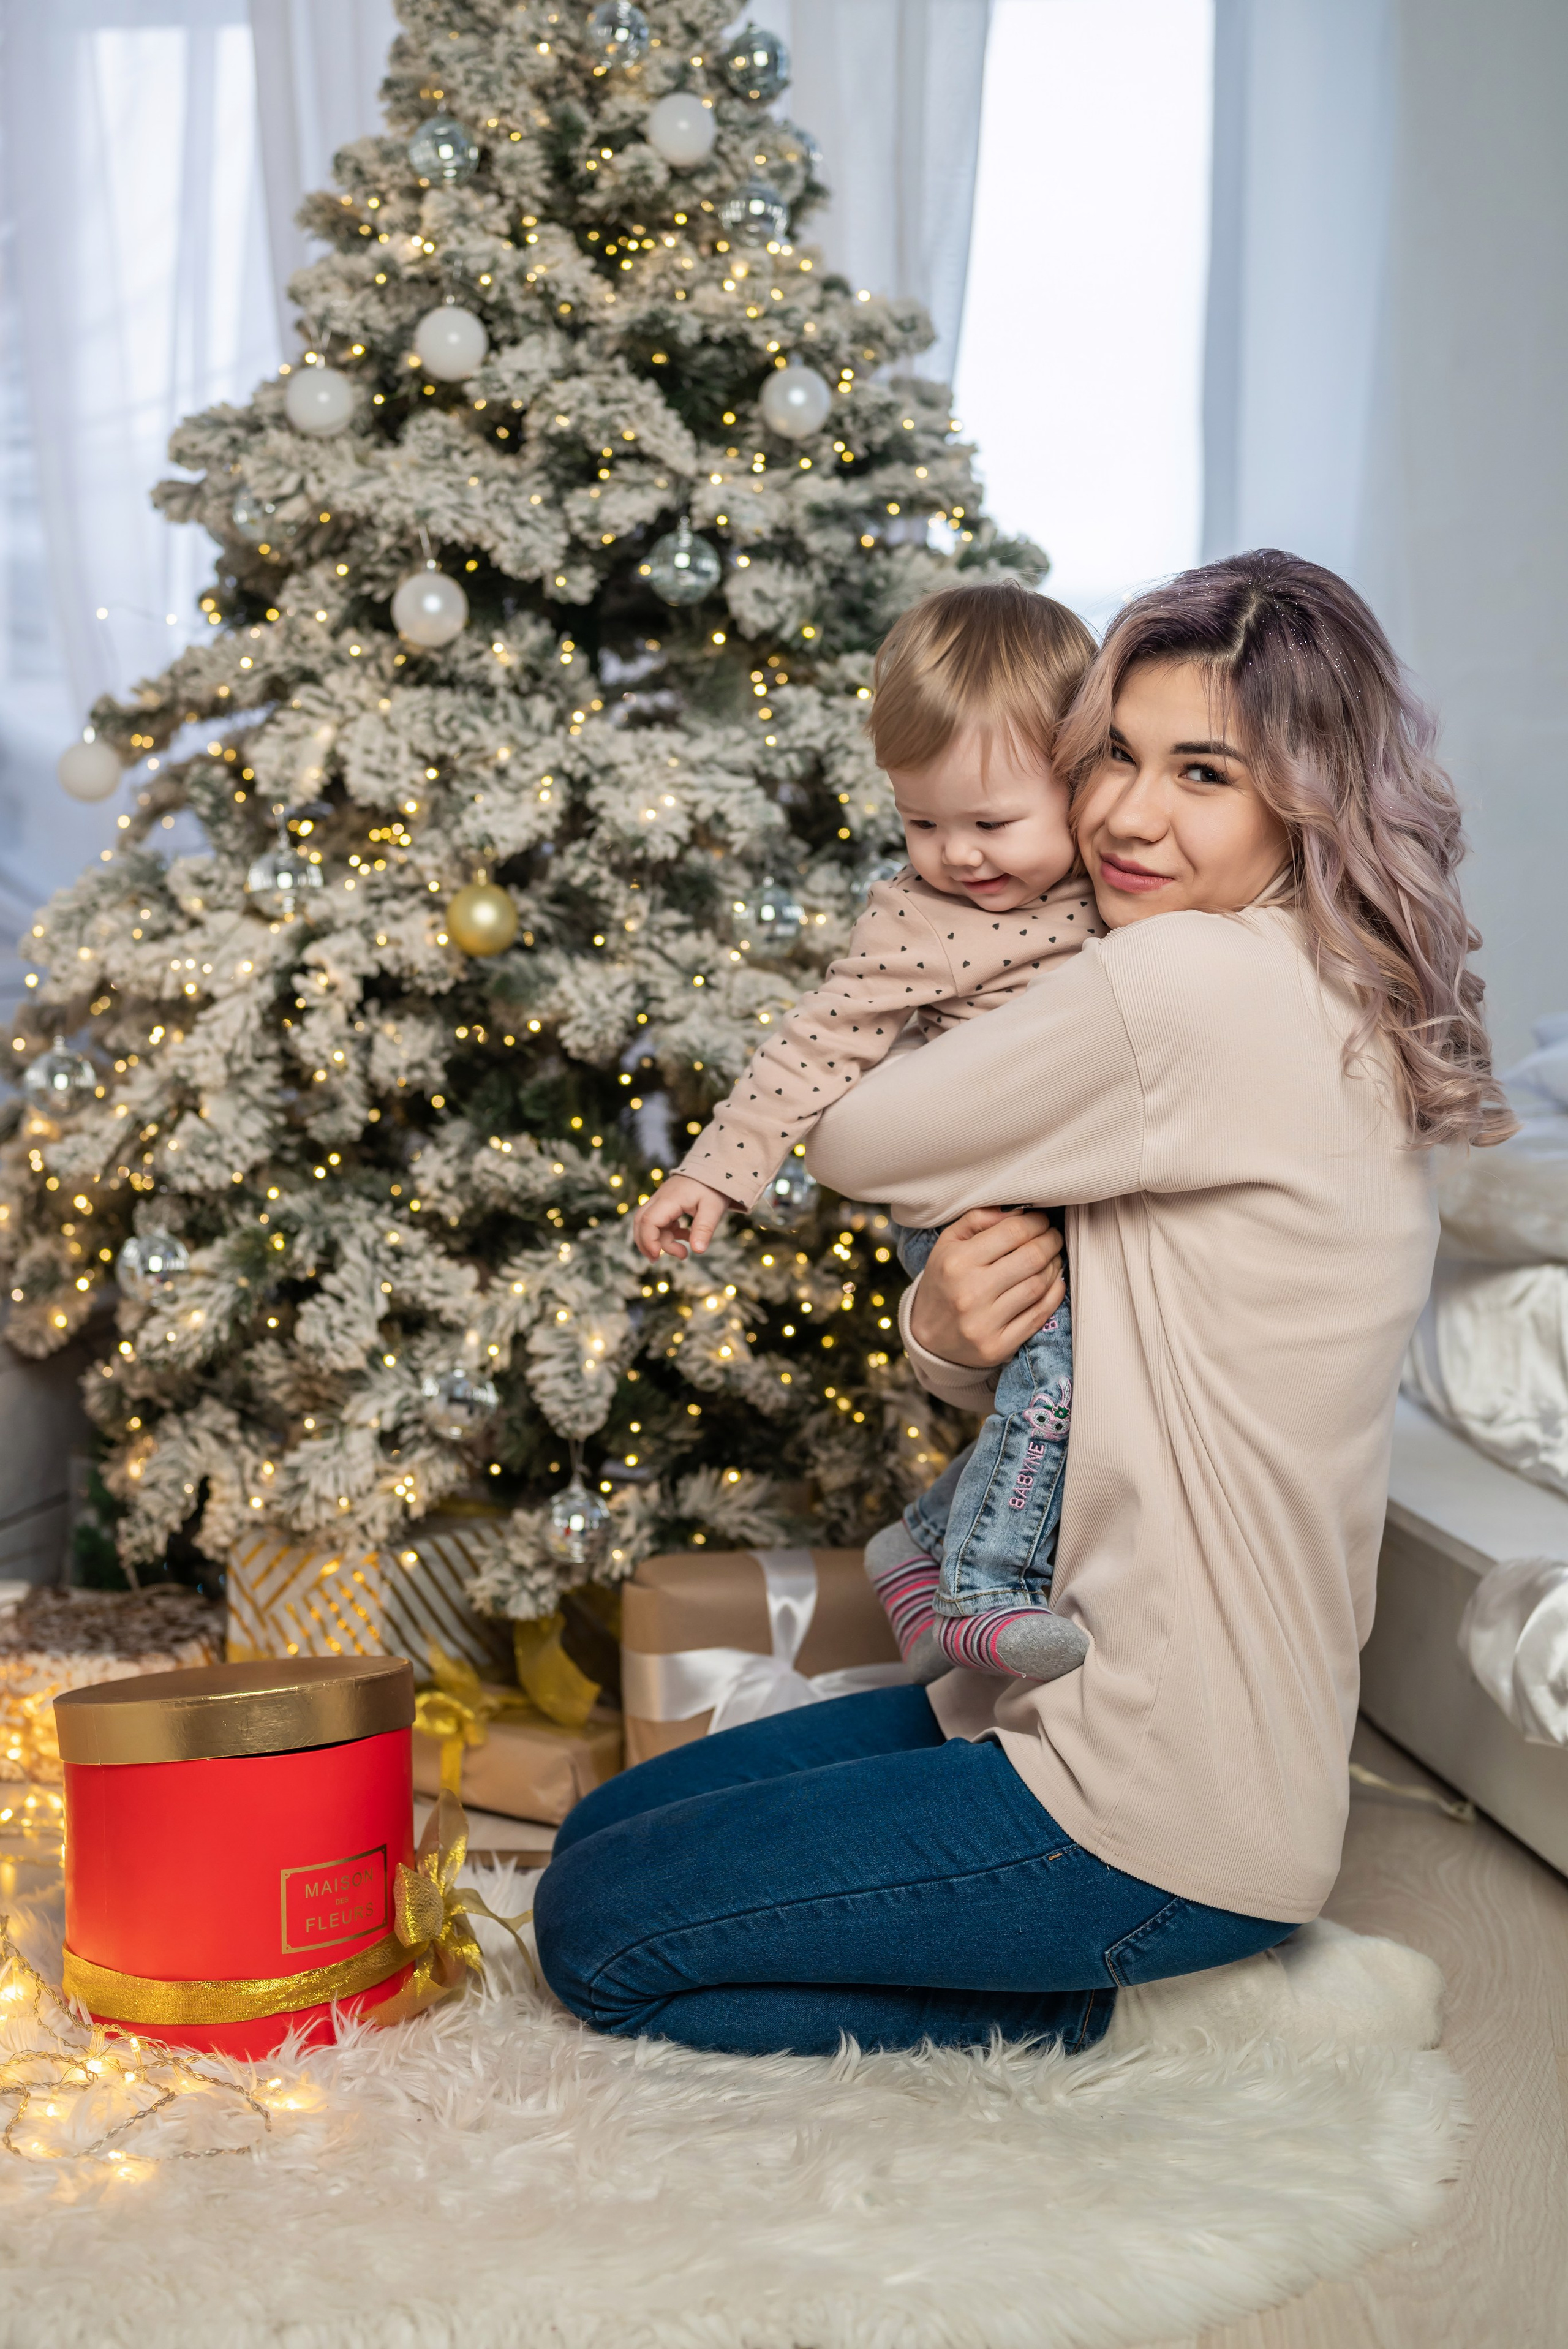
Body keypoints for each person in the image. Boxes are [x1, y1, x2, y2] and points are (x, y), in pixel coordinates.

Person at [534, 549, 1512, 2060]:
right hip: (1079, 1714)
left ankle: (1119, 2020)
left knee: (598, 1935)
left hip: (1145, 1802)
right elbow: (1123, 1361)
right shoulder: (1308, 974)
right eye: (1110, 753)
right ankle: (1108, 1963)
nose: (1125, 812)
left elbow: (857, 1138)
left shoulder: (1184, 980)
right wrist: (944, 1339)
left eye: (1202, 772)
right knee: (607, 1831)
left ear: (1302, 798)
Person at [634, 581, 1100, 1683]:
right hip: (969, 1212)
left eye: (991, 823)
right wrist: (715, 1175)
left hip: (1073, 1191)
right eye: (920, 822)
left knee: (1075, 1391)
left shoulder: (1117, 883)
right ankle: (979, 1591)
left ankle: (920, 1543)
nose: (957, 855)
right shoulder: (915, 919)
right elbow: (812, 1049)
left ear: (1079, 778)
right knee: (1061, 1380)